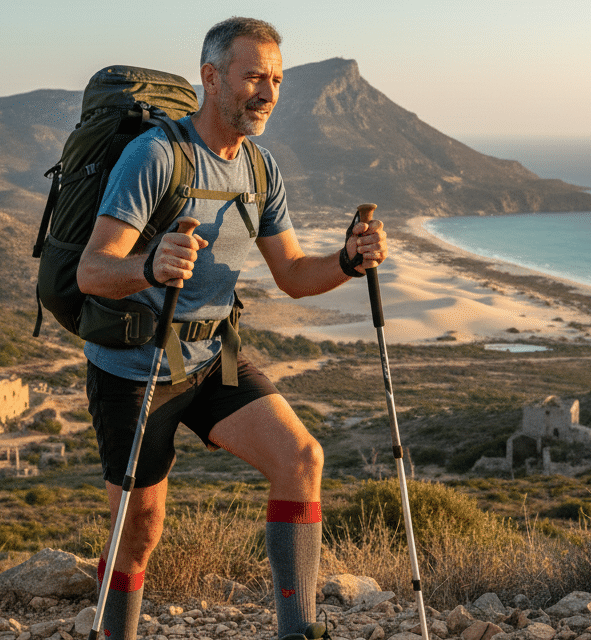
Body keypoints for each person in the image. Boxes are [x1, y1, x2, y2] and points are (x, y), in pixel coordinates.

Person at [76, 16, 388, 640]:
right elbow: (91, 270)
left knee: (302, 458)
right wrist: (149, 265)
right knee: (139, 531)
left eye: (275, 79)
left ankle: (298, 632)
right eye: (253, 77)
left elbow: (295, 274)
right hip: (134, 368)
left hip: (212, 356)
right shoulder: (156, 156)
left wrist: (350, 261)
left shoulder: (261, 169)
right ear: (211, 78)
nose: (267, 93)